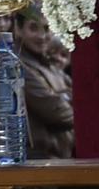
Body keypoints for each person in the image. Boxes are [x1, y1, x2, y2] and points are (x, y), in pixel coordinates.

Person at [14, 9, 74, 159]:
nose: (42, 36)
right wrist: (64, 98)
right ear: (18, 29)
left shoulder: (51, 65)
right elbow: (57, 112)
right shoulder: (17, 65)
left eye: (47, 29)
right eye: (33, 28)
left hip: (62, 156)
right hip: (40, 159)